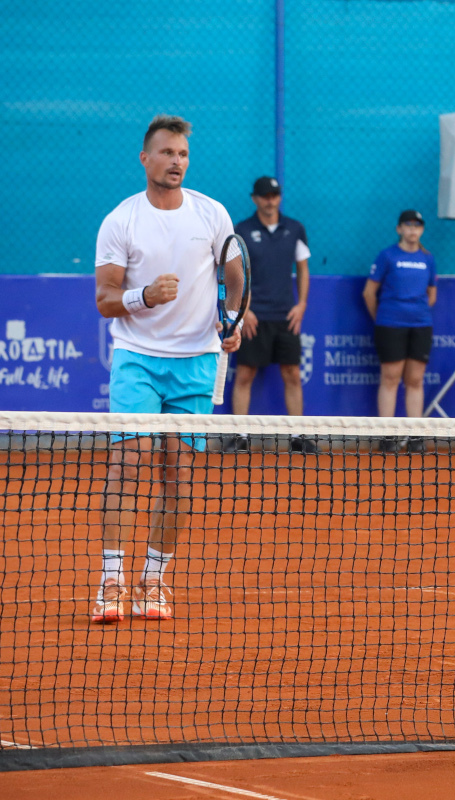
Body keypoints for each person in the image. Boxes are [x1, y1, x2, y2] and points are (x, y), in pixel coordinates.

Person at [91, 114, 243, 624]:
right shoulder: (121, 220)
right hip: (137, 358)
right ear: (145, 158)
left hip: (197, 364)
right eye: (167, 152)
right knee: (127, 468)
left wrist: (231, 318)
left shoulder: (212, 214)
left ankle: (152, 580)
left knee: (179, 479)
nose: (176, 161)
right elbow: (105, 299)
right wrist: (145, 295)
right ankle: (112, 581)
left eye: (182, 154)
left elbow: (236, 274)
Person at [228, 176, 316, 454]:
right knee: (245, 373)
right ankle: (239, 436)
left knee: (292, 373)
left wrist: (301, 305)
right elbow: (235, 272)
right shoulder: (241, 229)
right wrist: (245, 310)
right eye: (265, 196)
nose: (270, 200)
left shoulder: (295, 228)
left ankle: (297, 436)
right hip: (254, 316)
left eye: (275, 195)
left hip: (285, 316)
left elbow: (302, 268)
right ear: (255, 198)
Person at [362, 209, 437, 453]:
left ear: (422, 230)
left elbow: (431, 295)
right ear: (399, 229)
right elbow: (369, 293)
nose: (413, 229)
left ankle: (415, 437)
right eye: (408, 225)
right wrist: (384, 318)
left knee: (415, 380)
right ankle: (388, 436)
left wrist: (416, 312)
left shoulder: (428, 258)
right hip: (390, 324)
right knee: (391, 378)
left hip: (420, 326)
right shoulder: (387, 256)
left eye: (417, 225)